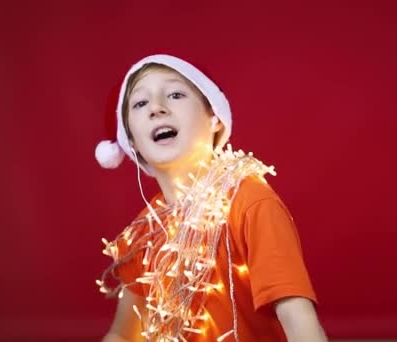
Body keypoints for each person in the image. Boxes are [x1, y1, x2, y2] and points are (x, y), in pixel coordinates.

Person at [94, 54, 327, 342]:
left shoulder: (250, 202)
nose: (156, 108)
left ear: (214, 117)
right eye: (140, 103)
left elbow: (299, 321)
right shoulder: (147, 230)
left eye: (176, 94)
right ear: (131, 142)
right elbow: (123, 335)